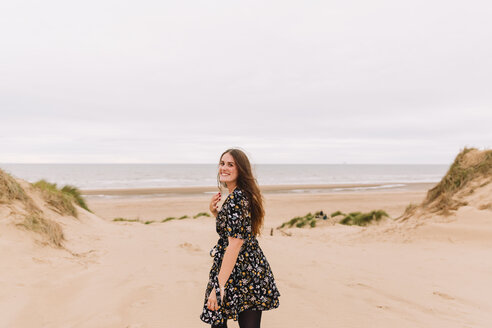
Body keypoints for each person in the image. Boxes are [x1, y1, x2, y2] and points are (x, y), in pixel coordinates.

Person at [199, 148, 281, 328]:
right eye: (222, 163)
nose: (224, 168)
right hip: (247, 268)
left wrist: (218, 287)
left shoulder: (237, 198)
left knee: (218, 322)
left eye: (230, 164)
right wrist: (216, 213)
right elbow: (238, 231)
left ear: (240, 169)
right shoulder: (242, 194)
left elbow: (235, 244)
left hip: (241, 271)